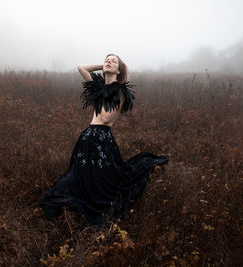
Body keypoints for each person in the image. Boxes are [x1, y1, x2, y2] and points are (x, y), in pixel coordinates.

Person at [39, 54, 168, 225]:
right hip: (86, 138)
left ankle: (93, 212)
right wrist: (104, 66)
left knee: (101, 182)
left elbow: (106, 119)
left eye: (113, 61)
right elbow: (81, 68)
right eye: (107, 59)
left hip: (101, 139)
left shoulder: (121, 92)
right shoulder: (98, 86)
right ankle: (70, 211)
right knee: (78, 177)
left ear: (119, 69)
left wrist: (117, 77)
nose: (109, 61)